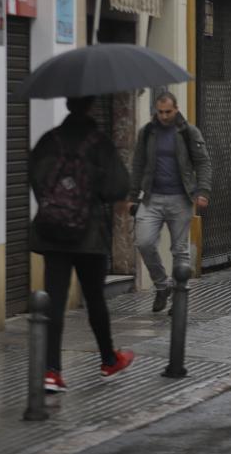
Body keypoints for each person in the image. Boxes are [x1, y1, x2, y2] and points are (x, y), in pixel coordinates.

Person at [29, 96, 136, 393]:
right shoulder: (99, 143)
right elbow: (118, 186)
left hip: (53, 234)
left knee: (54, 301)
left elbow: (35, 178)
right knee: (95, 299)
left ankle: (51, 371)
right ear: (90, 107)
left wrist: (56, 206)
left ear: (68, 106)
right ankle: (108, 359)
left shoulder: (49, 141)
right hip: (89, 236)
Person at [129, 92, 212, 313]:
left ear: (176, 109)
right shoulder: (147, 132)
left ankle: (179, 298)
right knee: (144, 242)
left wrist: (203, 191)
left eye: (168, 112)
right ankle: (162, 285)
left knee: (179, 250)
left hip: (180, 198)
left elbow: (203, 162)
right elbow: (138, 164)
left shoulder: (188, 132)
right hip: (152, 198)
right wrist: (132, 195)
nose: (164, 116)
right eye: (160, 112)